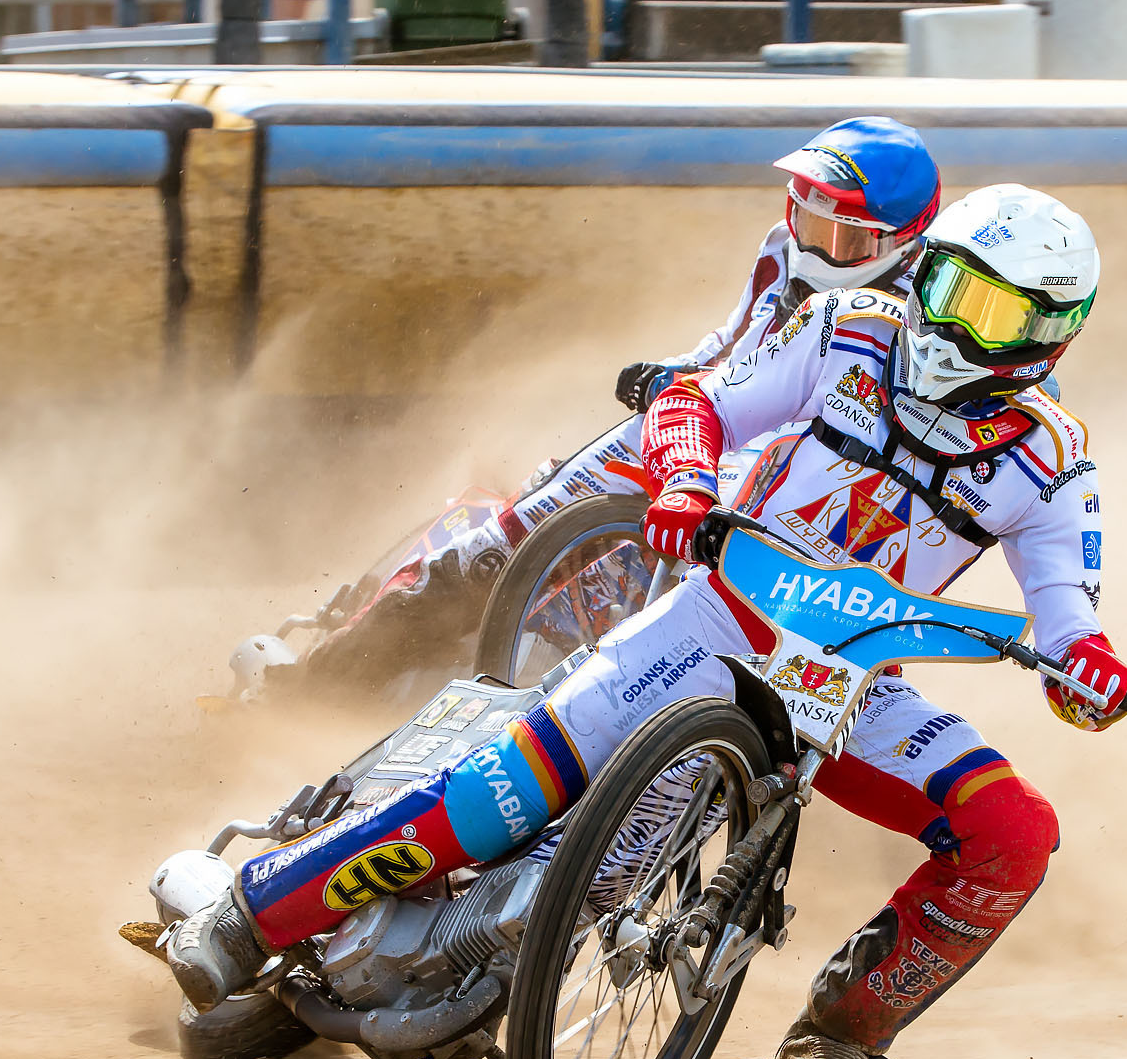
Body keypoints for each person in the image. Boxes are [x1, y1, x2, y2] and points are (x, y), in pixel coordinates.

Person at [168, 183, 1127, 1059]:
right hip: (711, 619)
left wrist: (1089, 674)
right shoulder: (847, 331)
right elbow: (694, 405)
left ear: (1050, 333)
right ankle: (249, 913)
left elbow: (1066, 620)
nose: (949, 324)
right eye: (944, 286)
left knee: (1012, 831)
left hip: (849, 690)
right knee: (499, 789)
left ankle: (832, 1039)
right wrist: (682, 478)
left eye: (990, 311)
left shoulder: (1052, 463)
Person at [292, 117, 944, 690]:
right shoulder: (780, 248)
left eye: (841, 234)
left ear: (899, 243)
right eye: (807, 215)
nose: (812, 243)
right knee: (497, 548)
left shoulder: (919, 328)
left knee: (664, 613)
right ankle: (315, 681)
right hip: (698, 426)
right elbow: (732, 339)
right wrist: (674, 373)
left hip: (775, 490)